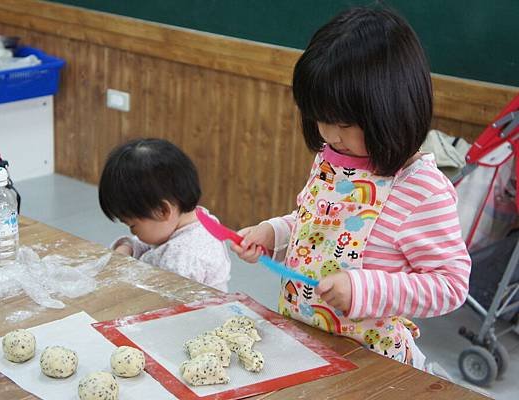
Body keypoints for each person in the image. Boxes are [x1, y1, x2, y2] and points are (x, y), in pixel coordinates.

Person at [231, 6, 471, 369]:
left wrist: (363, 290)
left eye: (341, 122)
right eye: (319, 119)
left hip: (371, 362)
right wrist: (273, 235)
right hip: (306, 342)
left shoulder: (422, 190)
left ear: (391, 110)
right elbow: (316, 230)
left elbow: (450, 285)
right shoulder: (331, 160)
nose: (328, 135)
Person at [99, 138, 231, 292]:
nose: (133, 233)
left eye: (133, 226)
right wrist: (126, 247)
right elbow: (148, 244)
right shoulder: (194, 218)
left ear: (162, 210)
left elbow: (162, 305)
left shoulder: (181, 259)